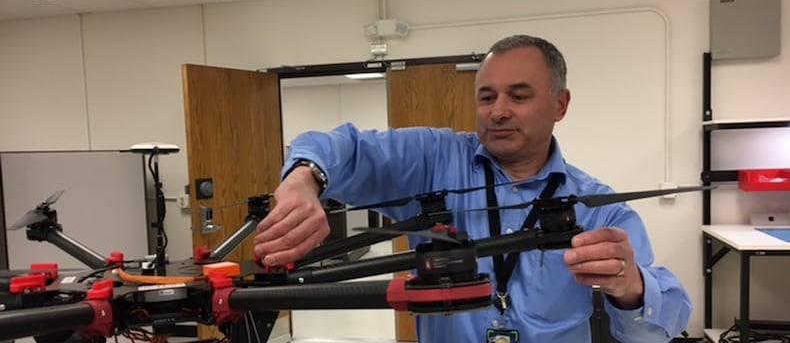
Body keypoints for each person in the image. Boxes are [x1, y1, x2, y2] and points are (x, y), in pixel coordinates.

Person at [253, 34, 691, 342]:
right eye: (486, 97)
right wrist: (302, 181)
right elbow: (343, 147)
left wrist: (631, 286)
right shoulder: (432, 160)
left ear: (560, 105)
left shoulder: (602, 210)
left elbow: (661, 327)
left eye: (518, 96)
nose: (498, 111)